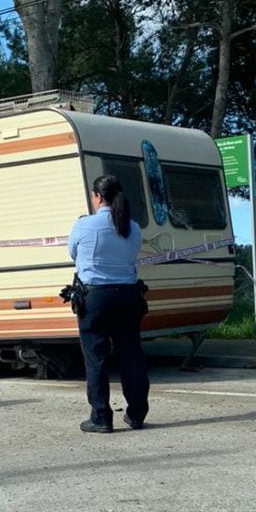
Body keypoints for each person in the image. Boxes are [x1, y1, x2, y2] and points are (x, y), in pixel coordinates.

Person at [67, 175, 150, 433]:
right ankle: (136, 414)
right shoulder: (133, 227)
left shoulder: (84, 225)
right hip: (128, 296)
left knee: (96, 358)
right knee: (131, 355)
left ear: (98, 197)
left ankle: (101, 417)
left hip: (96, 298)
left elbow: (73, 253)